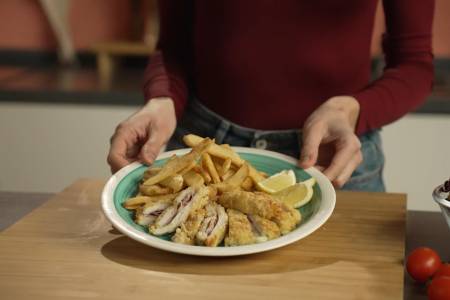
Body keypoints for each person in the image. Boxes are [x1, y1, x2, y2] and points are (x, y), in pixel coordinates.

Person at [107, 1, 434, 192]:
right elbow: (173, 49)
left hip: (332, 159)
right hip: (205, 158)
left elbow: (414, 64)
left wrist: (352, 110)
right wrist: (161, 99)